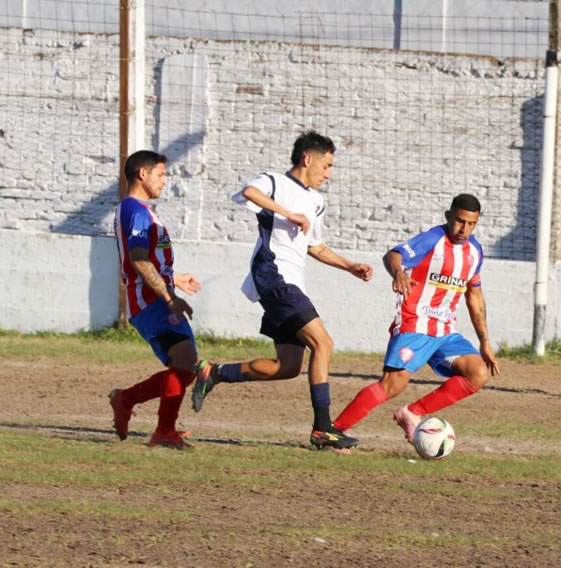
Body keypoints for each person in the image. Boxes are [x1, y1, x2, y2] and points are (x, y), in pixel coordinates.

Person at [190, 131, 373, 450]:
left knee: (288, 367)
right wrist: (289, 214)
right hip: (273, 277)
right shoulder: (274, 182)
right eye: (327, 166)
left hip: (290, 282)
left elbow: (314, 245)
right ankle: (323, 428)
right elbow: (249, 192)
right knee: (323, 343)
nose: (328, 174)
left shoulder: (316, 202)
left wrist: (350, 266)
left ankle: (214, 372)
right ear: (308, 159)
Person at [329, 193, 500, 445]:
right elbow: (393, 255)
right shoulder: (433, 239)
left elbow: (474, 296)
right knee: (393, 385)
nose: (465, 229)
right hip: (415, 323)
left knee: (478, 373)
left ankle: (412, 413)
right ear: (448, 216)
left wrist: (484, 341)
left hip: (445, 331)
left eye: (472, 224)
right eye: (460, 221)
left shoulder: (475, 252)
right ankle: (332, 431)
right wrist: (398, 273)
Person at [109, 150, 203, 449]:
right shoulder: (134, 211)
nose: (165, 180)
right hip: (149, 303)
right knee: (185, 361)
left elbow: (148, 259)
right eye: (161, 174)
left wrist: (174, 279)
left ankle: (126, 399)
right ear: (142, 174)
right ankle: (164, 431)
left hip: (159, 297)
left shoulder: (144, 211)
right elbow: (137, 260)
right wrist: (168, 296)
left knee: (185, 368)